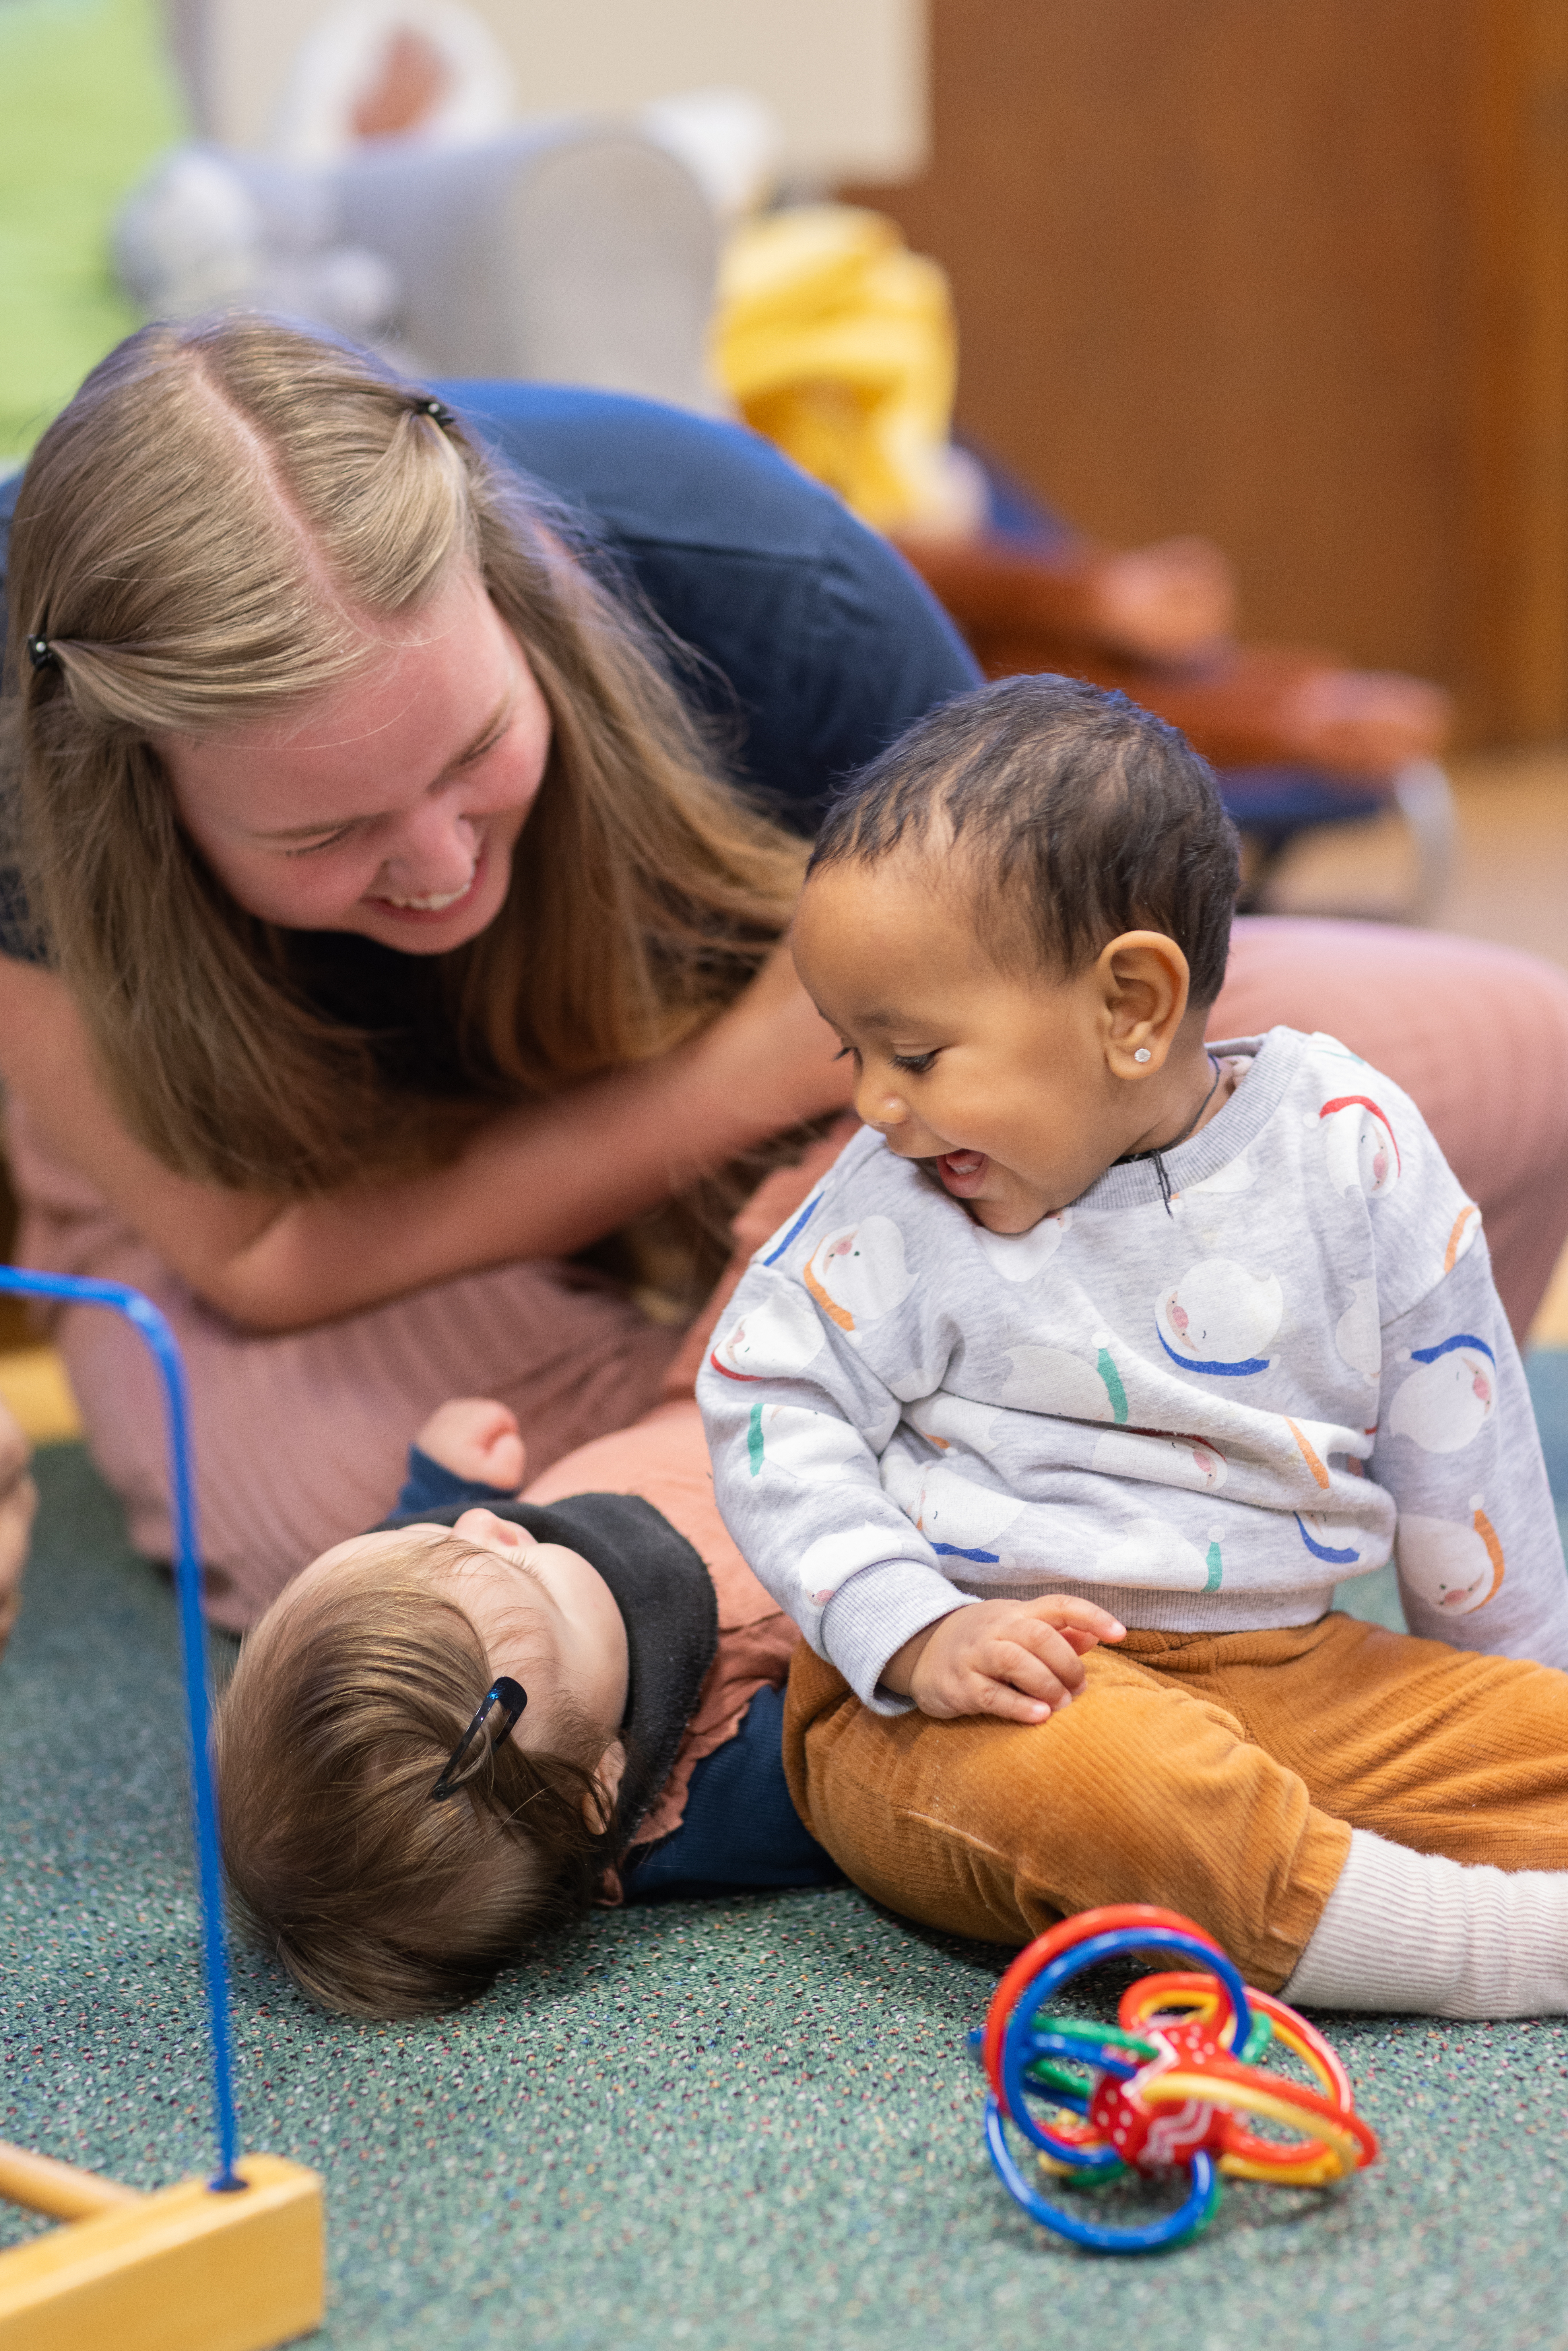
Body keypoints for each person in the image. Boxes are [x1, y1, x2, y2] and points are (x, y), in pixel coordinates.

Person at [4, 312, 1568, 1635]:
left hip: (833, 1126)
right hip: (343, 1228)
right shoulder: (36, 745)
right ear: (124, 788)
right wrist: (730, 1086)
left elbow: (1025, 1038)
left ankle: (699, 1527)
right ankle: (735, 1524)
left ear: (520, 593)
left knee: (1513, 1057)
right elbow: (266, 1252)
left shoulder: (774, 587)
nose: (436, 866)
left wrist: (824, 1162)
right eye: (328, 830)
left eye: (479, 752)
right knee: (364, 1518)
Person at [697, 674, 1568, 2023]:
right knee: (1121, 1795)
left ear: (1132, 1006)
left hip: (1297, 1674)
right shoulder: (899, 1197)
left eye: (916, 1052)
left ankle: (1320, 1873)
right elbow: (764, 1392)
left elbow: (1466, 1453)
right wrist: (911, 1628)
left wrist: (1517, 1700)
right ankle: (1479, 1949)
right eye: (851, 1052)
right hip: (978, 1696)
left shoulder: (1350, 1145)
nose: (875, 1103)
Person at [214, 1385, 837, 2016]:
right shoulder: (708, 1787)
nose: (489, 1522)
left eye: (431, 1535)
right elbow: (839, 1773)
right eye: (530, 1574)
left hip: (701, 1395)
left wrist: (437, 1484)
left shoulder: (435, 1594)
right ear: (601, 1779)